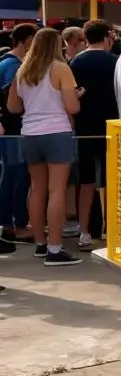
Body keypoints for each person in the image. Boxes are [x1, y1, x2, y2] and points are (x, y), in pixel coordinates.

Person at [7, 28, 82, 266]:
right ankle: (55, 248)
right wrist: (76, 96)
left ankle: (40, 242)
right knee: (57, 189)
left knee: (37, 189)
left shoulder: (23, 70)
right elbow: (72, 108)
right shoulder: (61, 69)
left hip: (30, 133)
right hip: (56, 131)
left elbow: (13, 108)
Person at [70, 20, 118, 251]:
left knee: (86, 180)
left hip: (84, 127)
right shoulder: (114, 61)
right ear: (107, 36)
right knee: (111, 180)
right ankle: (112, 230)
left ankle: (85, 232)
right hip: (111, 125)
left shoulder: (75, 61)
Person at [0, 23, 38, 250]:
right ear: (26, 41)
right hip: (13, 129)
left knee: (14, 176)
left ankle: (12, 224)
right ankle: (14, 225)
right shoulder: (13, 66)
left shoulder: (10, 63)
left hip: (15, 128)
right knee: (16, 177)